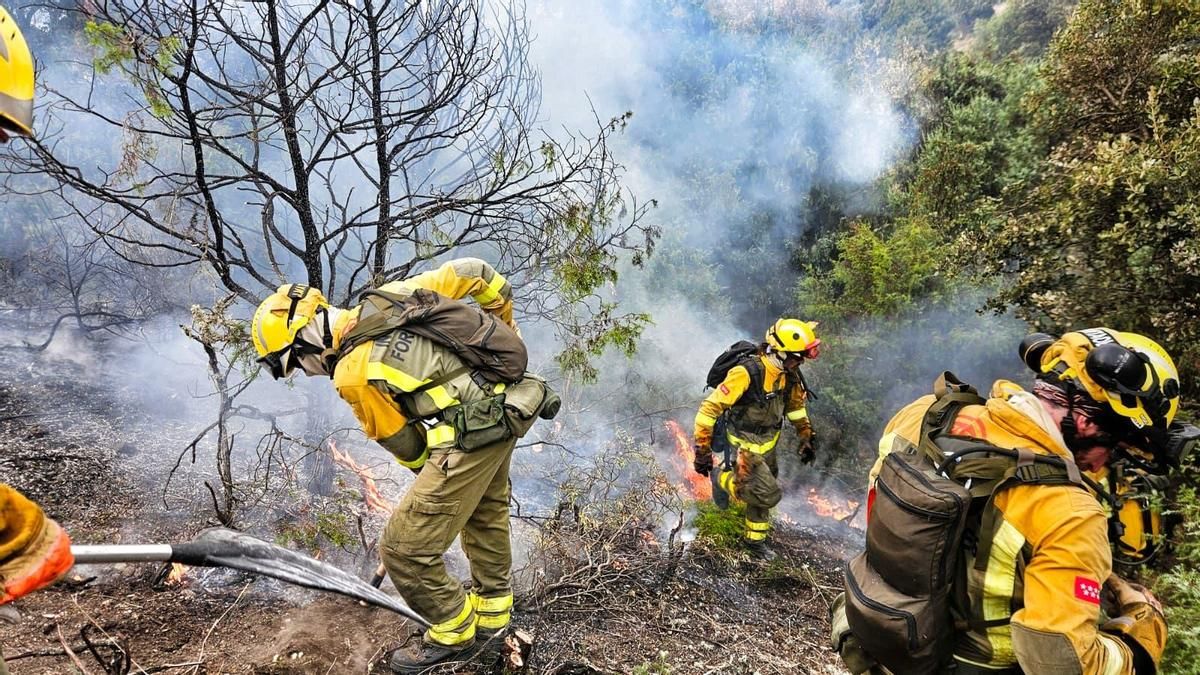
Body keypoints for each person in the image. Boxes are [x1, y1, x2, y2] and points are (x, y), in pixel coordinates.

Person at [251, 258, 557, 673]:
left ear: (305, 337)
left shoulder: (352, 374)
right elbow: (476, 272)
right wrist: (508, 331)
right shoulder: (390, 296)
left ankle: (455, 634)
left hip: (471, 435)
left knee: (404, 549)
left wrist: (434, 488)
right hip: (510, 409)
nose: (304, 373)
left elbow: (407, 445)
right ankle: (492, 624)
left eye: (295, 362)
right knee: (484, 518)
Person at [833, 328, 1179, 674]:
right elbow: (1060, 663)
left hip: (881, 643)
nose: (1103, 465)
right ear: (1087, 422)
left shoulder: (924, 415)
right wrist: (1139, 637)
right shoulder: (1071, 513)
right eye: (1115, 448)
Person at [691, 318, 819, 559]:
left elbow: (795, 407)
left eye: (801, 358)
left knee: (760, 499)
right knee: (767, 494)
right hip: (743, 448)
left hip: (769, 445)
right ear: (779, 352)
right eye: (796, 357)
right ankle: (721, 478)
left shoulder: (788, 374)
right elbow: (709, 410)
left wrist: (806, 434)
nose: (799, 362)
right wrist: (703, 449)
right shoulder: (746, 373)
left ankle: (754, 543)